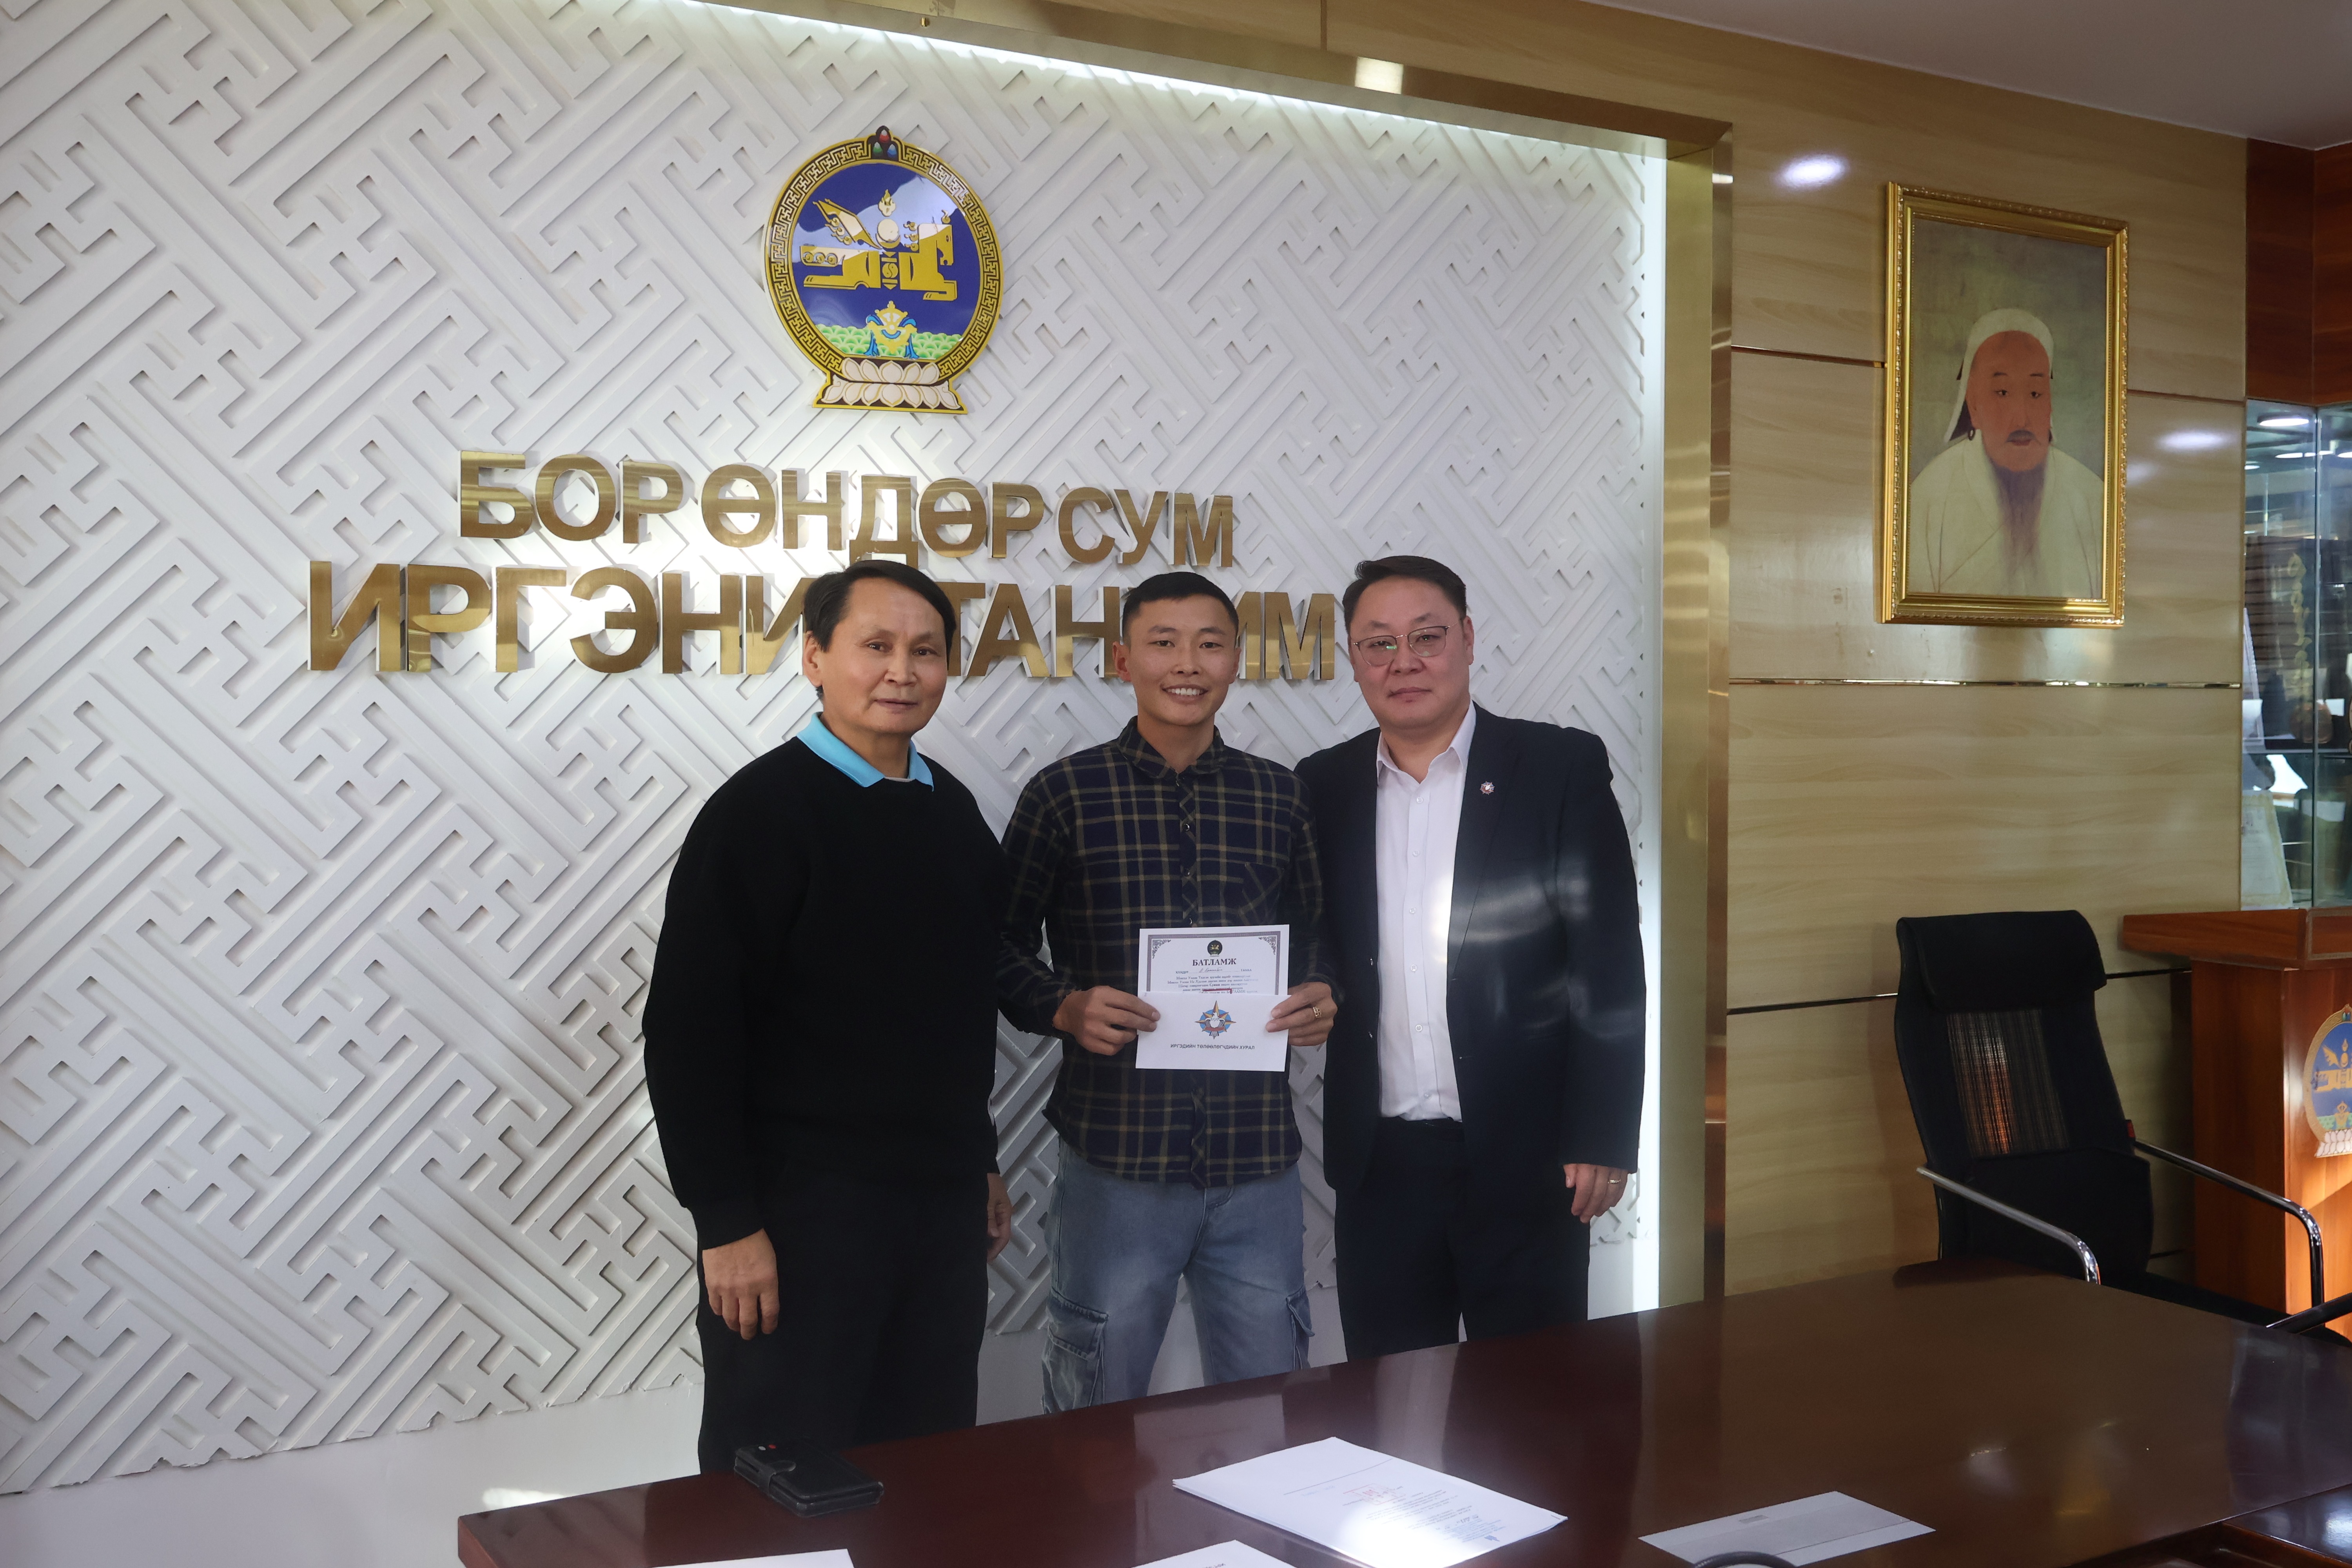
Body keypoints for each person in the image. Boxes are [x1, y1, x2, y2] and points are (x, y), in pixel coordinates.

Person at [642, 559, 1014, 1472]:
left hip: (939, 1212)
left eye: (926, 651)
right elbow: (689, 1032)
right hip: (800, 1218)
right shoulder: (758, 813)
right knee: (781, 1483)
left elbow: (960, 1013)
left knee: (928, 1468)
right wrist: (725, 1221)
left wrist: (980, 1159)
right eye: (875, 646)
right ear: (814, 657)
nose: (902, 671)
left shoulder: (953, 811)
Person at [999, 570, 1336, 1409]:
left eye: (1210, 644)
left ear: (1235, 661)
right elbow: (994, 948)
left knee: (1267, 1404)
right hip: (1117, 1160)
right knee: (1096, 1407)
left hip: (1255, 1160)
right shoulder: (1063, 795)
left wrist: (1321, 991)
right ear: (1124, 660)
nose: (1188, 663)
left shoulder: (1280, 796)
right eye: (1164, 643)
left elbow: (1317, 933)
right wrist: (1064, 1006)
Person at [1295, 555, 1644, 1359]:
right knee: (1390, 1396)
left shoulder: (1556, 768)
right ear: (1354, 658)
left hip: (1530, 1158)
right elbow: (1315, 935)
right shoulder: (1323, 785)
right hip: (1382, 1164)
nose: (1404, 662)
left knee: (1535, 1398)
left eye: (1427, 637)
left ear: (1468, 639)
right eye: (1378, 643)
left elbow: (1608, 963)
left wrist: (1603, 1131)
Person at [1909, 307, 2105, 599]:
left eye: (2035, 393)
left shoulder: (2091, 497)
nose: (2021, 418)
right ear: (1973, 404)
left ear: (2050, 403)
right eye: (2002, 392)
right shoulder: (1928, 498)